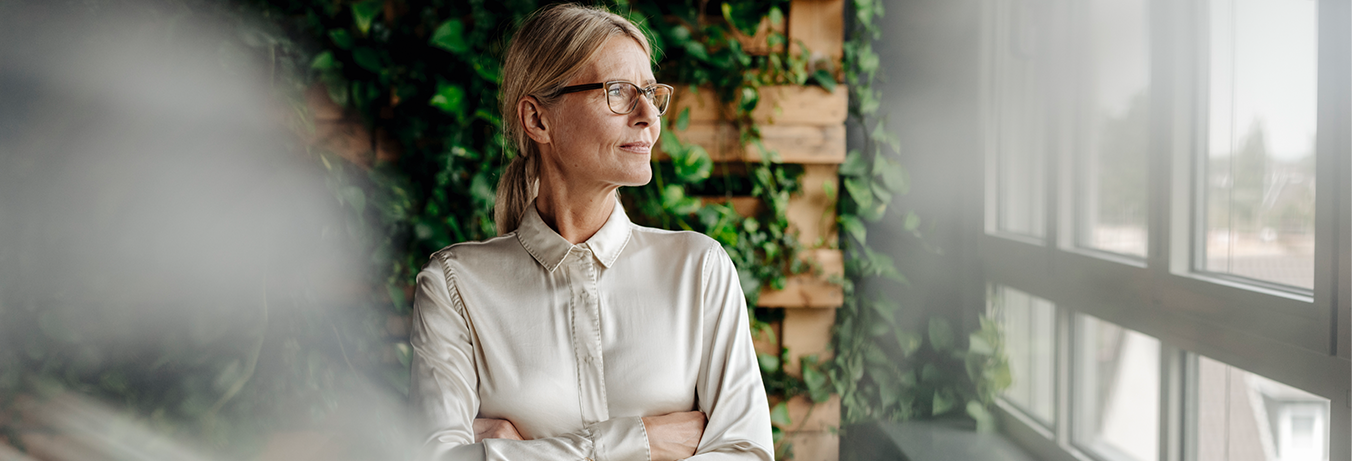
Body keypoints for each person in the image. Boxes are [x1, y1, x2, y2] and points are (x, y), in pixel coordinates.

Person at [408, 4, 774, 461]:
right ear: (538, 120)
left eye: (650, 92)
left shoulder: (699, 269)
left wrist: (519, 451)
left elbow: (747, 454)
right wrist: (643, 441)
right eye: (618, 92)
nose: (647, 115)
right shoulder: (454, 286)